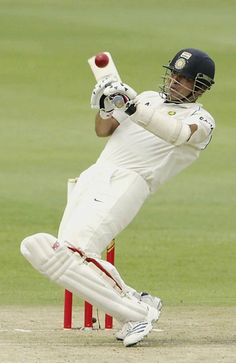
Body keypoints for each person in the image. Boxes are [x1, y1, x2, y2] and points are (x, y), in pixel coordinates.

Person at [20, 48, 215, 347]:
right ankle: (137, 300)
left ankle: (137, 313)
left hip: (128, 182)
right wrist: (105, 107)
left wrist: (134, 106)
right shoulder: (149, 97)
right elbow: (103, 130)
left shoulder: (202, 121)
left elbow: (176, 134)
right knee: (68, 257)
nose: (174, 81)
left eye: (183, 78)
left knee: (74, 252)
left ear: (199, 87)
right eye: (173, 74)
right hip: (95, 174)